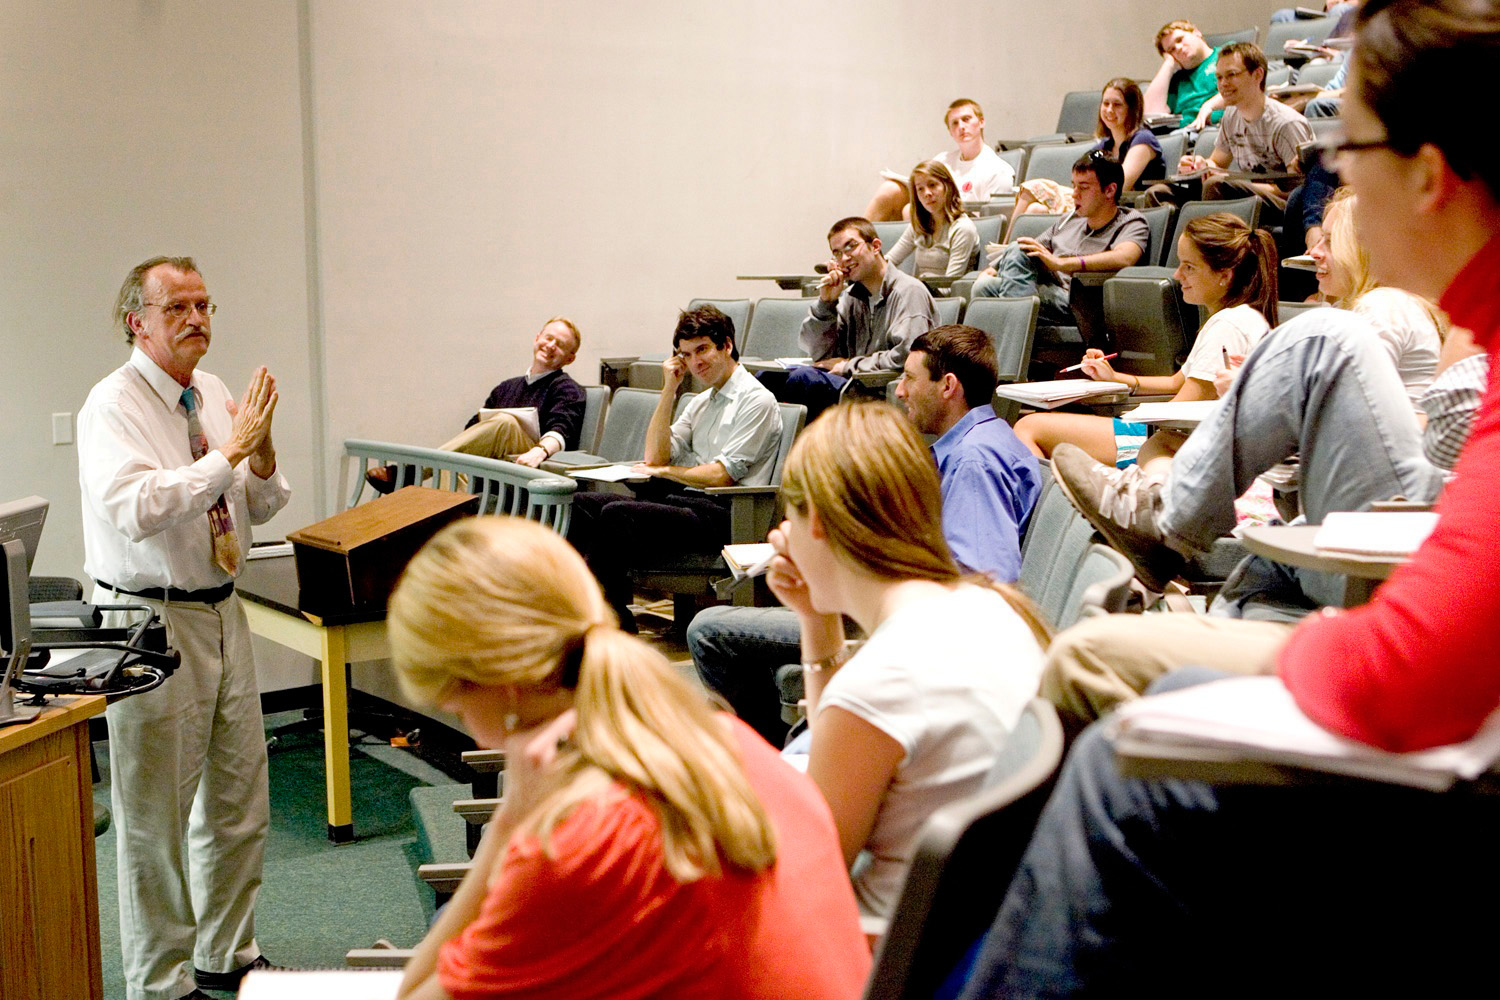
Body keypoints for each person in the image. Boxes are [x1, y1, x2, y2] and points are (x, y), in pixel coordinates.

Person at [960, 5, 1500, 990]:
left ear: (1427, 175)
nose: (1331, 183)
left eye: (1347, 151)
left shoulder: (1277, 333)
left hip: (1434, 717)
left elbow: (1421, 665)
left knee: (1124, 754)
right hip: (1252, 502)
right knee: (1158, 694)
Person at [386, 517, 871, 1000]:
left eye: (456, 706)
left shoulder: (575, 847)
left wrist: (511, 822)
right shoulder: (729, 741)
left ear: (504, 687)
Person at [78, 256, 291, 1000]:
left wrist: (258, 455)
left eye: (205, 305)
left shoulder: (214, 391)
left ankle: (227, 953)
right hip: (149, 618)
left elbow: (259, 506)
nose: (199, 319)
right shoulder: (112, 405)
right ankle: (161, 984)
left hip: (222, 609)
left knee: (239, 799)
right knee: (156, 819)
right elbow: (136, 508)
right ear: (138, 321)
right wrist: (231, 455)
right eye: (180, 309)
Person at [762, 403, 1048, 923]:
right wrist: (814, 618)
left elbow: (808, 880)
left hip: (874, 955)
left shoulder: (880, 681)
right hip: (969, 934)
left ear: (819, 523)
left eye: (791, 515)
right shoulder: (991, 607)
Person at [691, 327, 1043, 746]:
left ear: (948, 386)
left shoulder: (973, 461)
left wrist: (861, 574)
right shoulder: (977, 442)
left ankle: (771, 758)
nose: (901, 391)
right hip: (920, 617)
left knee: (709, 629)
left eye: (911, 378)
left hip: (920, 629)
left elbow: (984, 579)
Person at [567, 304, 780, 631]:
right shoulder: (701, 401)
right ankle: (600, 611)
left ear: (726, 346)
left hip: (727, 514)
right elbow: (654, 457)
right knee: (580, 504)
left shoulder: (756, 400)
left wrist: (667, 473)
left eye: (703, 350)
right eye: (687, 355)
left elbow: (722, 475)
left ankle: (601, 619)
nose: (696, 362)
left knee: (618, 514)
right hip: (686, 503)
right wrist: (669, 389)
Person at [1012, 214, 1277, 471]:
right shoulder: (1234, 319)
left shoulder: (1228, 326)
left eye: (1189, 267)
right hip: (1176, 438)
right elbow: (1177, 383)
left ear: (1224, 276)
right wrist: (1116, 378)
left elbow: (1178, 411)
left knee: (1030, 427)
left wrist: (1122, 416)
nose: (1177, 275)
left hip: (1174, 443)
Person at [365, 316, 586, 492]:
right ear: (537, 338)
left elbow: (561, 430)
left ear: (570, 358)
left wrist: (539, 451)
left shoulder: (567, 388)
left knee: (506, 422)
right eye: (548, 338)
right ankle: (446, 528)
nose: (550, 346)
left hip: (530, 462)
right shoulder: (506, 387)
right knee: (453, 465)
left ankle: (410, 473)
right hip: (494, 464)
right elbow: (472, 430)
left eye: (560, 345)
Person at [776, 216, 937, 421]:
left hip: (881, 392)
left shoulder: (909, 291)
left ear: (876, 246)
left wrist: (849, 365)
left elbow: (906, 356)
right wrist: (826, 305)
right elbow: (820, 354)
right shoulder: (850, 297)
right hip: (854, 385)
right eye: (837, 253)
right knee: (769, 380)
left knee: (804, 381)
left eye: (850, 247)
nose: (844, 259)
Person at [1146, 42, 1315, 224]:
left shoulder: (1286, 124)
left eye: (1231, 75)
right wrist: (1201, 165)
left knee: (1217, 185)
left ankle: (1210, 246)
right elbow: (1217, 162)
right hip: (1244, 192)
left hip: (1285, 204)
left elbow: (1298, 191)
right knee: (1158, 193)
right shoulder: (1231, 115)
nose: (1223, 84)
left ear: (1257, 75)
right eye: (1219, 77)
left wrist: (1237, 184)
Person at [972, 153, 1150, 325]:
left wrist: (1063, 264)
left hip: (1082, 302)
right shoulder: (1070, 220)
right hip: (1051, 291)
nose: (1074, 194)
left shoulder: (1131, 221)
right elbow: (1031, 248)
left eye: (1084, 187)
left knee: (1005, 283)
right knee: (984, 286)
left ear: (1110, 190)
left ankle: (1010, 336)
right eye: (1074, 186)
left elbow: (1124, 257)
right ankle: (1012, 332)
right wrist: (995, 268)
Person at [1307, 188, 1442, 407]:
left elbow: (1346, 403)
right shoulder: (1378, 302)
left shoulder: (1383, 306)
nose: (1315, 252)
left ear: (1364, 249)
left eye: (1330, 242)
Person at [1005, 80, 1164, 236]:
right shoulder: (1104, 146)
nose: (1109, 110)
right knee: (1035, 209)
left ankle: (1001, 252)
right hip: (1095, 200)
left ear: (1132, 109)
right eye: (1105, 103)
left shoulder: (1143, 139)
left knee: (1033, 187)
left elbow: (1122, 184)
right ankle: (1005, 252)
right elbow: (1080, 180)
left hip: (1121, 208)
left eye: (1117, 104)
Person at [865, 98, 1015, 221]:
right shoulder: (943, 160)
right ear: (950, 131)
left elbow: (994, 220)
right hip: (936, 216)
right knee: (890, 189)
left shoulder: (998, 169)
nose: (961, 126)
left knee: (909, 210)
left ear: (981, 122)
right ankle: (858, 243)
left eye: (966, 119)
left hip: (965, 226)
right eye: (955, 123)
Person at [884, 160, 981, 278]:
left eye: (932, 185)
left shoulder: (963, 228)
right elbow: (888, 263)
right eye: (920, 189)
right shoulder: (919, 225)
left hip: (947, 294)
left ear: (947, 186)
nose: (927, 193)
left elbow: (950, 285)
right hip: (922, 291)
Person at [1143, 20, 1221, 127]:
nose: (1178, 48)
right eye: (1172, 50)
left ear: (1196, 33)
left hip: (1217, 127)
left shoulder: (1226, 54)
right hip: (1185, 135)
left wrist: (1209, 106)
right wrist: (1169, 64)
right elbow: (1149, 114)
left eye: (1179, 40)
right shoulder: (1177, 79)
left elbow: (1246, 87)